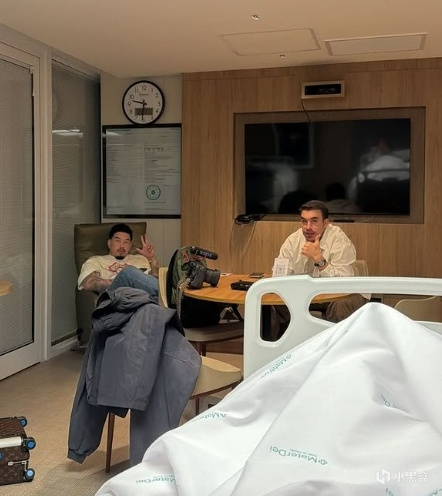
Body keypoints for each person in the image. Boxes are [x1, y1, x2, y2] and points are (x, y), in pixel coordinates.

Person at [275, 200, 367, 326]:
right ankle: (287, 339)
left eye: (314, 221)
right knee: (273, 304)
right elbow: (279, 277)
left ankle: (335, 340)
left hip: (342, 294)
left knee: (341, 305)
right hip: (307, 295)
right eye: (304, 221)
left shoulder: (339, 240)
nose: (308, 227)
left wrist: (319, 259)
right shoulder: (292, 241)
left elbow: (344, 282)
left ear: (325, 223)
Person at [77, 223, 159, 301]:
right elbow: (88, 283)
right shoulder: (96, 261)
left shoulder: (140, 259)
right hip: (116, 298)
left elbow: (156, 280)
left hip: (144, 299)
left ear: (130, 245)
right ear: (109, 243)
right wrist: (120, 282)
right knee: (128, 271)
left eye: (126, 242)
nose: (122, 246)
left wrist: (152, 259)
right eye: (117, 241)